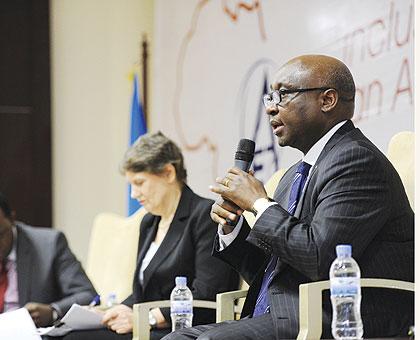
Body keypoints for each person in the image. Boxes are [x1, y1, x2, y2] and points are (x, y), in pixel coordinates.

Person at [164, 55, 414, 340]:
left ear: (327, 100)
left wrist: (259, 204)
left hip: (341, 316)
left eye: (283, 94)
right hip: (286, 312)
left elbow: (321, 258)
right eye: (270, 96)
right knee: (176, 338)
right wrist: (233, 228)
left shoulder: (356, 160)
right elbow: (272, 270)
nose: (270, 107)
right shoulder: (293, 175)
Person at [63, 132, 238, 340]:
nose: (134, 194)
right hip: (147, 326)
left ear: (168, 173)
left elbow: (208, 294)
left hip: (180, 330)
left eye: (139, 183)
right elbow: (143, 292)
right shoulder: (148, 222)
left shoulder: (205, 216)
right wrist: (113, 311)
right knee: (67, 333)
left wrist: (149, 319)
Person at [0, 192, 97, 327]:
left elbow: (87, 295)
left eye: (0, 234)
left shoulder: (50, 245)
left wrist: (53, 311)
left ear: (11, 219)